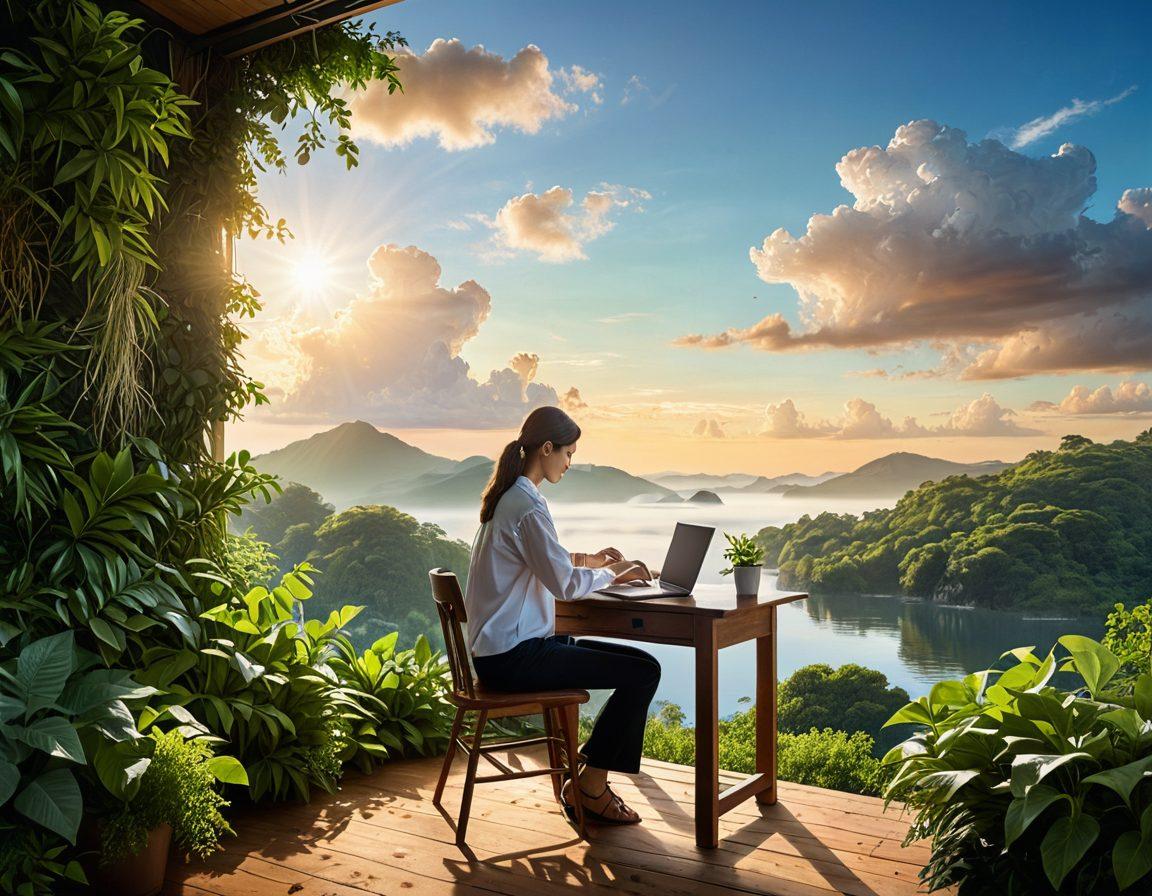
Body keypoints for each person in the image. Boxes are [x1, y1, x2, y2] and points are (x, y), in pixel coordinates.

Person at [464, 405, 660, 825]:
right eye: (568, 453)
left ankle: (588, 777)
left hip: (501, 654)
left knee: (641, 666)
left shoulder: (510, 498)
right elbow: (565, 585)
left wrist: (590, 559)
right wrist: (614, 572)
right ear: (547, 448)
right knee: (644, 672)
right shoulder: (527, 505)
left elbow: (539, 559)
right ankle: (590, 786)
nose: (569, 463)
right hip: (514, 659)